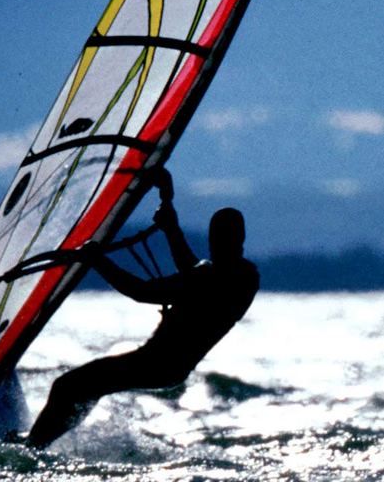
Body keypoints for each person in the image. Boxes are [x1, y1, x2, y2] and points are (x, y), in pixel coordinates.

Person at [27, 169, 259, 448]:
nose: (214, 243)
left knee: (69, 386)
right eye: (214, 237)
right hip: (167, 366)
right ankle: (39, 442)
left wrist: (98, 261)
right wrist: (171, 226)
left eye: (219, 238)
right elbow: (192, 267)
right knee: (83, 388)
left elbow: (142, 292)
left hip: (157, 365)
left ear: (235, 239)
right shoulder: (244, 275)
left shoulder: (219, 278)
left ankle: (34, 447)